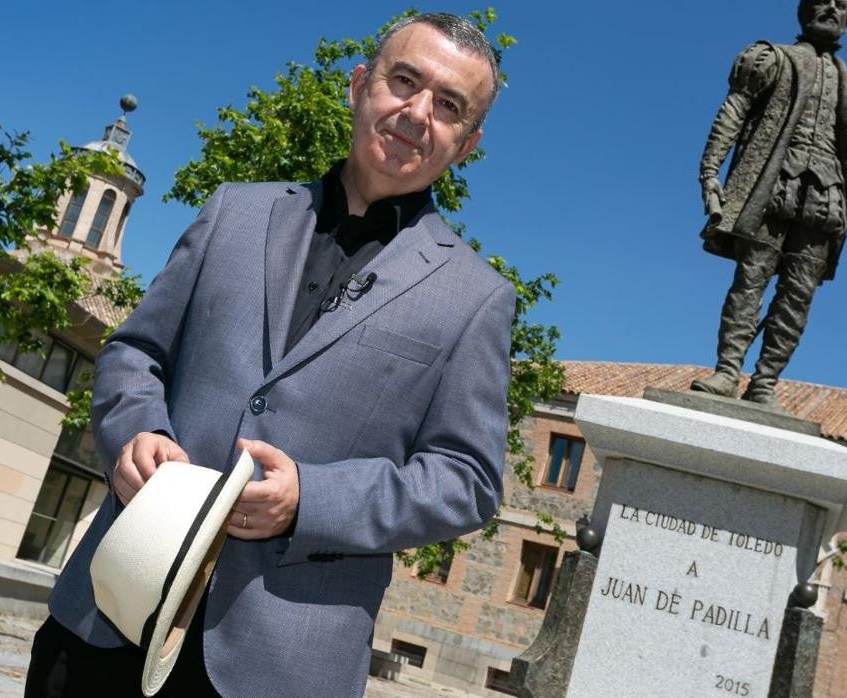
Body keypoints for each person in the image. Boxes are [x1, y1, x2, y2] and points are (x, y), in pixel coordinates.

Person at [26, 13, 513, 697]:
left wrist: (310, 500)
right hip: (107, 618)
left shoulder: (477, 299)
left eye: (449, 105)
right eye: (405, 80)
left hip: (281, 669)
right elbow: (135, 351)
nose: (417, 111)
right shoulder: (233, 212)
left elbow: (467, 480)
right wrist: (134, 430)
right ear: (358, 86)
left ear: (467, 143)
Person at [691, 0, 847, 407]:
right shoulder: (773, 60)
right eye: (823, 1)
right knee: (751, 279)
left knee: (798, 295)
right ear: (804, 13)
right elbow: (733, 111)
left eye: (842, 6)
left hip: (826, 199)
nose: (832, 9)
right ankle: (727, 372)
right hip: (771, 186)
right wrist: (709, 172)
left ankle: (764, 382)